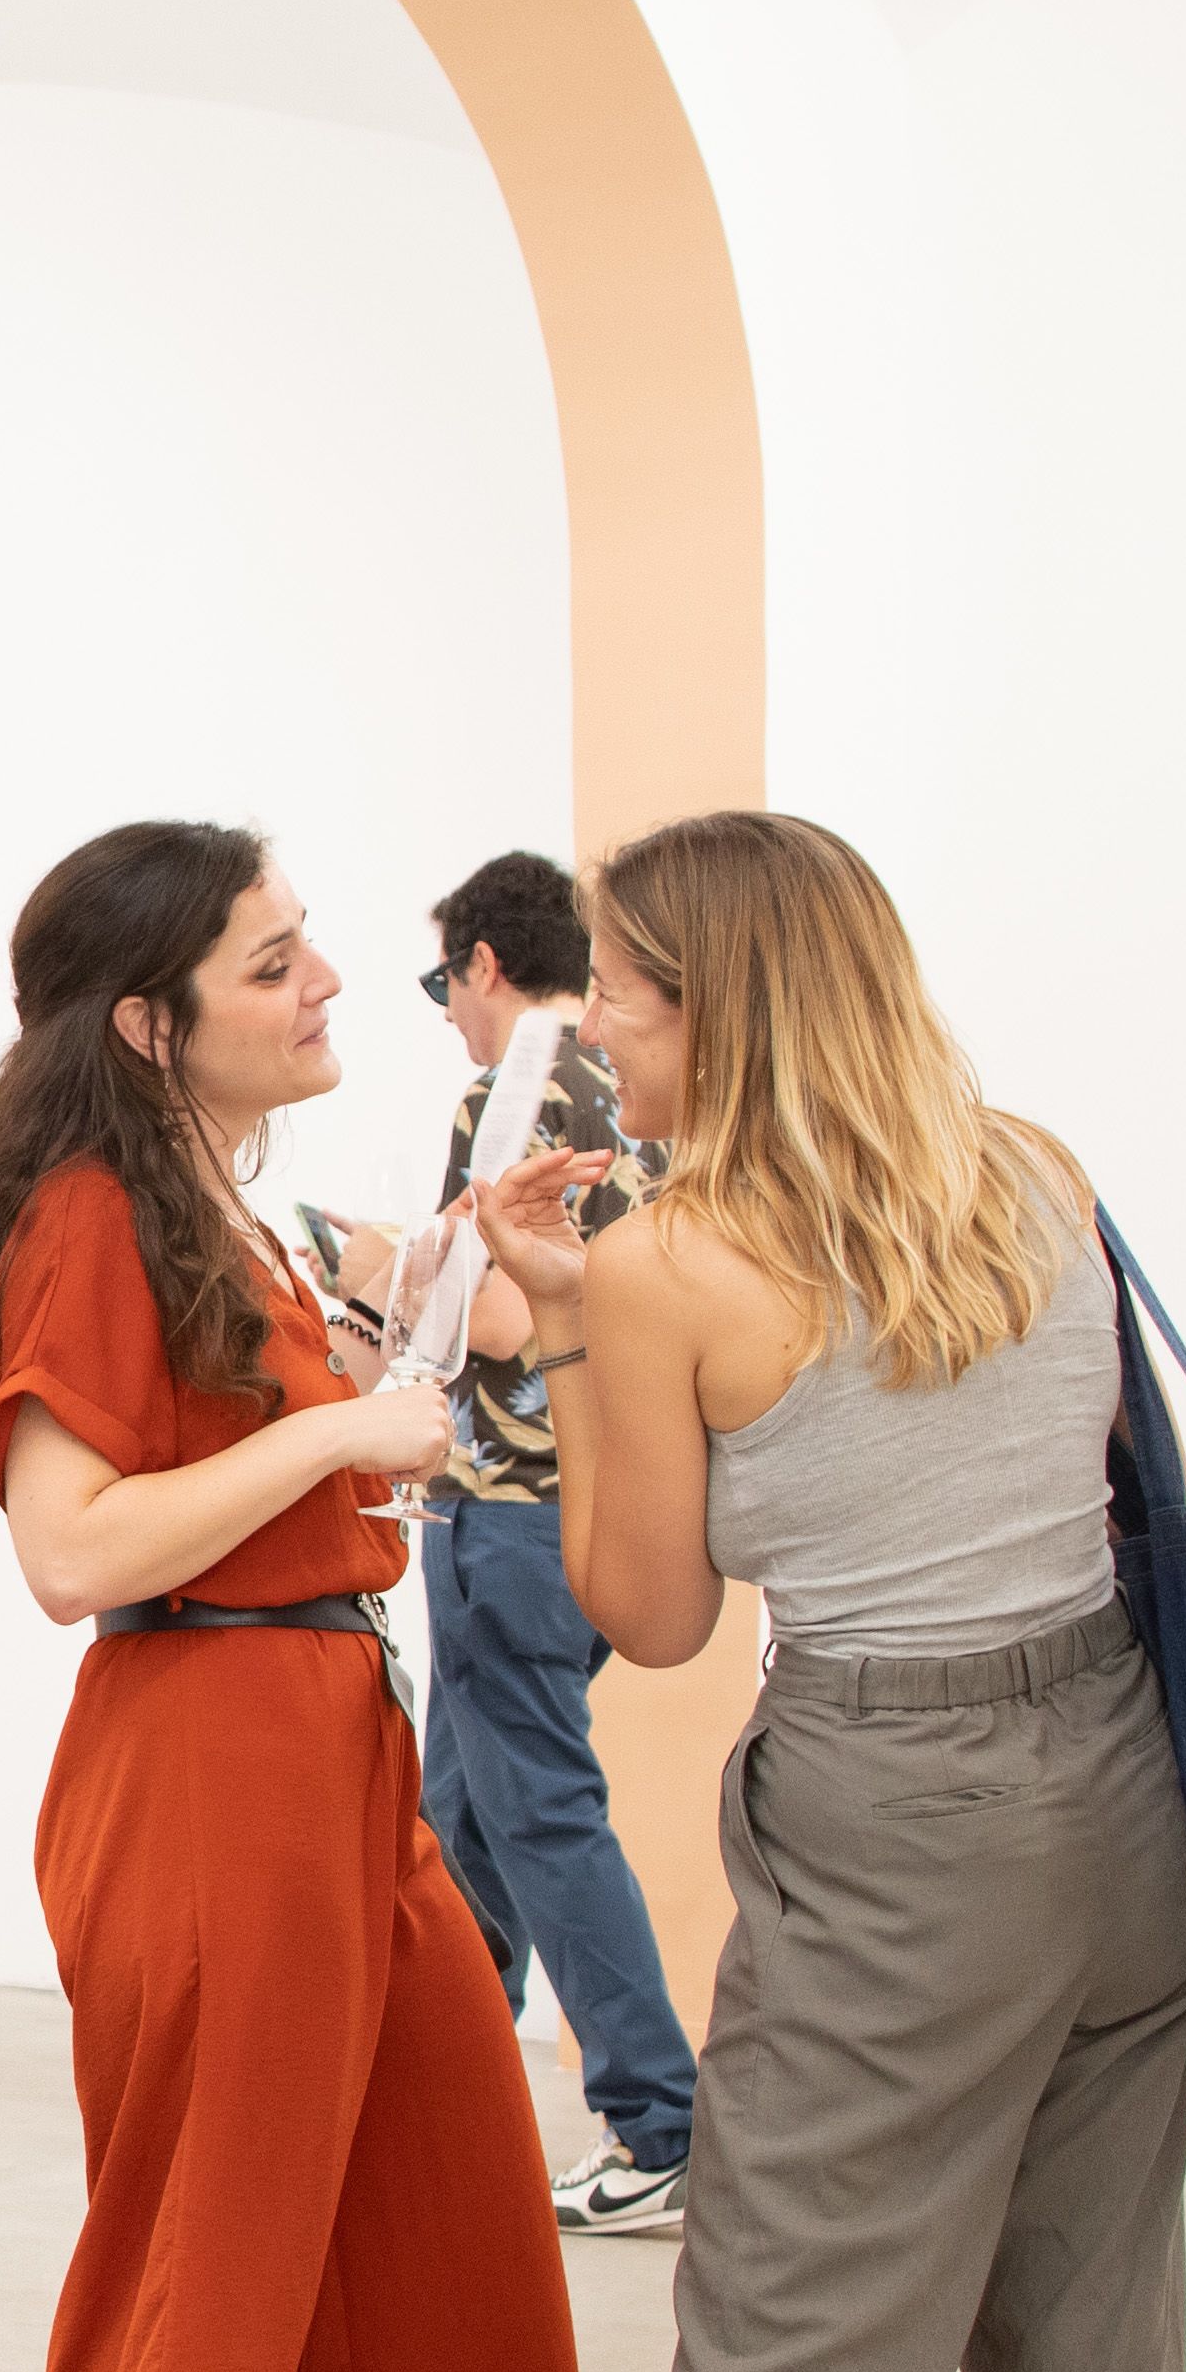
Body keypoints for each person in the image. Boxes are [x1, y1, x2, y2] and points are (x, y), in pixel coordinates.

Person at [308, 811, 1186, 2372]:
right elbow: (1069, 1461)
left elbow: (655, 1615)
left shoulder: (680, 1266)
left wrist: (584, 1323)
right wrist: (602, 1290)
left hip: (904, 1827)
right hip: (1123, 1807)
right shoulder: (1034, 1168)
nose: (592, 1022)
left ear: (725, 1008)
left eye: (624, 986)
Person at [0, 823, 604, 2372]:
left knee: (428, 2189)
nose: (325, 987)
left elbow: (350, 1358)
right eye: (276, 961)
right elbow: (74, 1546)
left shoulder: (239, 1204)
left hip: (328, 1744)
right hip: (206, 1754)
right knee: (199, 2238)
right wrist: (337, 1445)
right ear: (153, 1019)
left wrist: (466, 1256)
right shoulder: (97, 1214)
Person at [380, 849, 705, 2230]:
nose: (447, 1011)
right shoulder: (646, 1100)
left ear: (485, 968)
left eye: (441, 982)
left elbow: (500, 1318)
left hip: (508, 1516)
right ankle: (440, 2117)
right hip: (612, 1497)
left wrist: (363, 1271)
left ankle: (661, 2121)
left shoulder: (510, 1088)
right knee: (466, 1828)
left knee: (537, 1820)